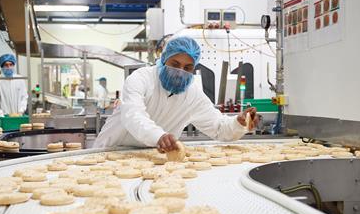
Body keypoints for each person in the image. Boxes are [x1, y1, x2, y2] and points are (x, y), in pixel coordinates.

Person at [93, 36, 258, 152]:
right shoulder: (141, 79)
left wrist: (239, 123)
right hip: (113, 152)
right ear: (164, 60)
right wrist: (159, 136)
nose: (180, 72)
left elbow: (219, 128)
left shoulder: (192, 94)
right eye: (175, 64)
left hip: (154, 157)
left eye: (187, 68)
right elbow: (134, 116)